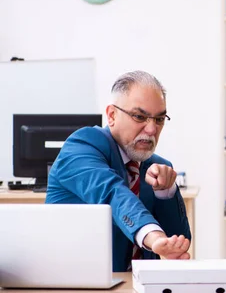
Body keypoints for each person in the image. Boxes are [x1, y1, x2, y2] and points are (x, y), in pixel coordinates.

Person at [46, 71, 192, 272]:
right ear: (112, 115)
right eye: (139, 116)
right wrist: (153, 236)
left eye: (159, 119)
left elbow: (178, 245)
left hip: (138, 290)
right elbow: (112, 192)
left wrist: (165, 193)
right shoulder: (82, 146)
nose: (151, 129)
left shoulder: (157, 167)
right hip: (79, 286)